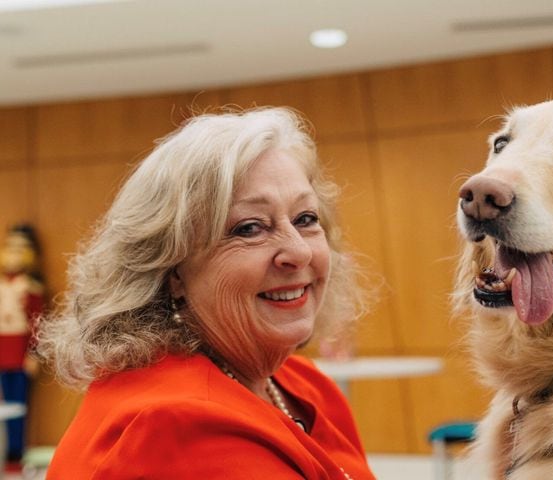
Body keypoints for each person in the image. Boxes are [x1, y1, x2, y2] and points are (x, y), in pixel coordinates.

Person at [36, 107, 375, 479]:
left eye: (305, 219)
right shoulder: (176, 427)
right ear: (172, 270)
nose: (300, 252)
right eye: (249, 228)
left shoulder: (302, 384)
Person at [0, 224, 44, 465]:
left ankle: (16, 454)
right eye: (10, 248)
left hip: (19, 353)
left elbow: (37, 323)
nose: (14, 254)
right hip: (2, 351)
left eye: (21, 249)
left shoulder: (30, 286)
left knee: (18, 406)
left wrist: (33, 353)